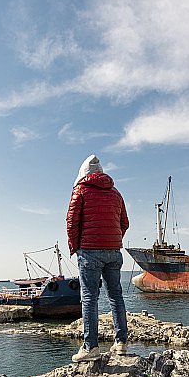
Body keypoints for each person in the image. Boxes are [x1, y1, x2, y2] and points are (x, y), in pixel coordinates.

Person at [66, 154, 129, 362]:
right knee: (116, 296)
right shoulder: (116, 193)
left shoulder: (80, 190)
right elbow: (125, 223)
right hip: (114, 251)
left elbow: (72, 222)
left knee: (89, 298)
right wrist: (113, 240)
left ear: (83, 173)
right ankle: (120, 343)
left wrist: (75, 247)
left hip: (89, 251)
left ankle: (91, 347)